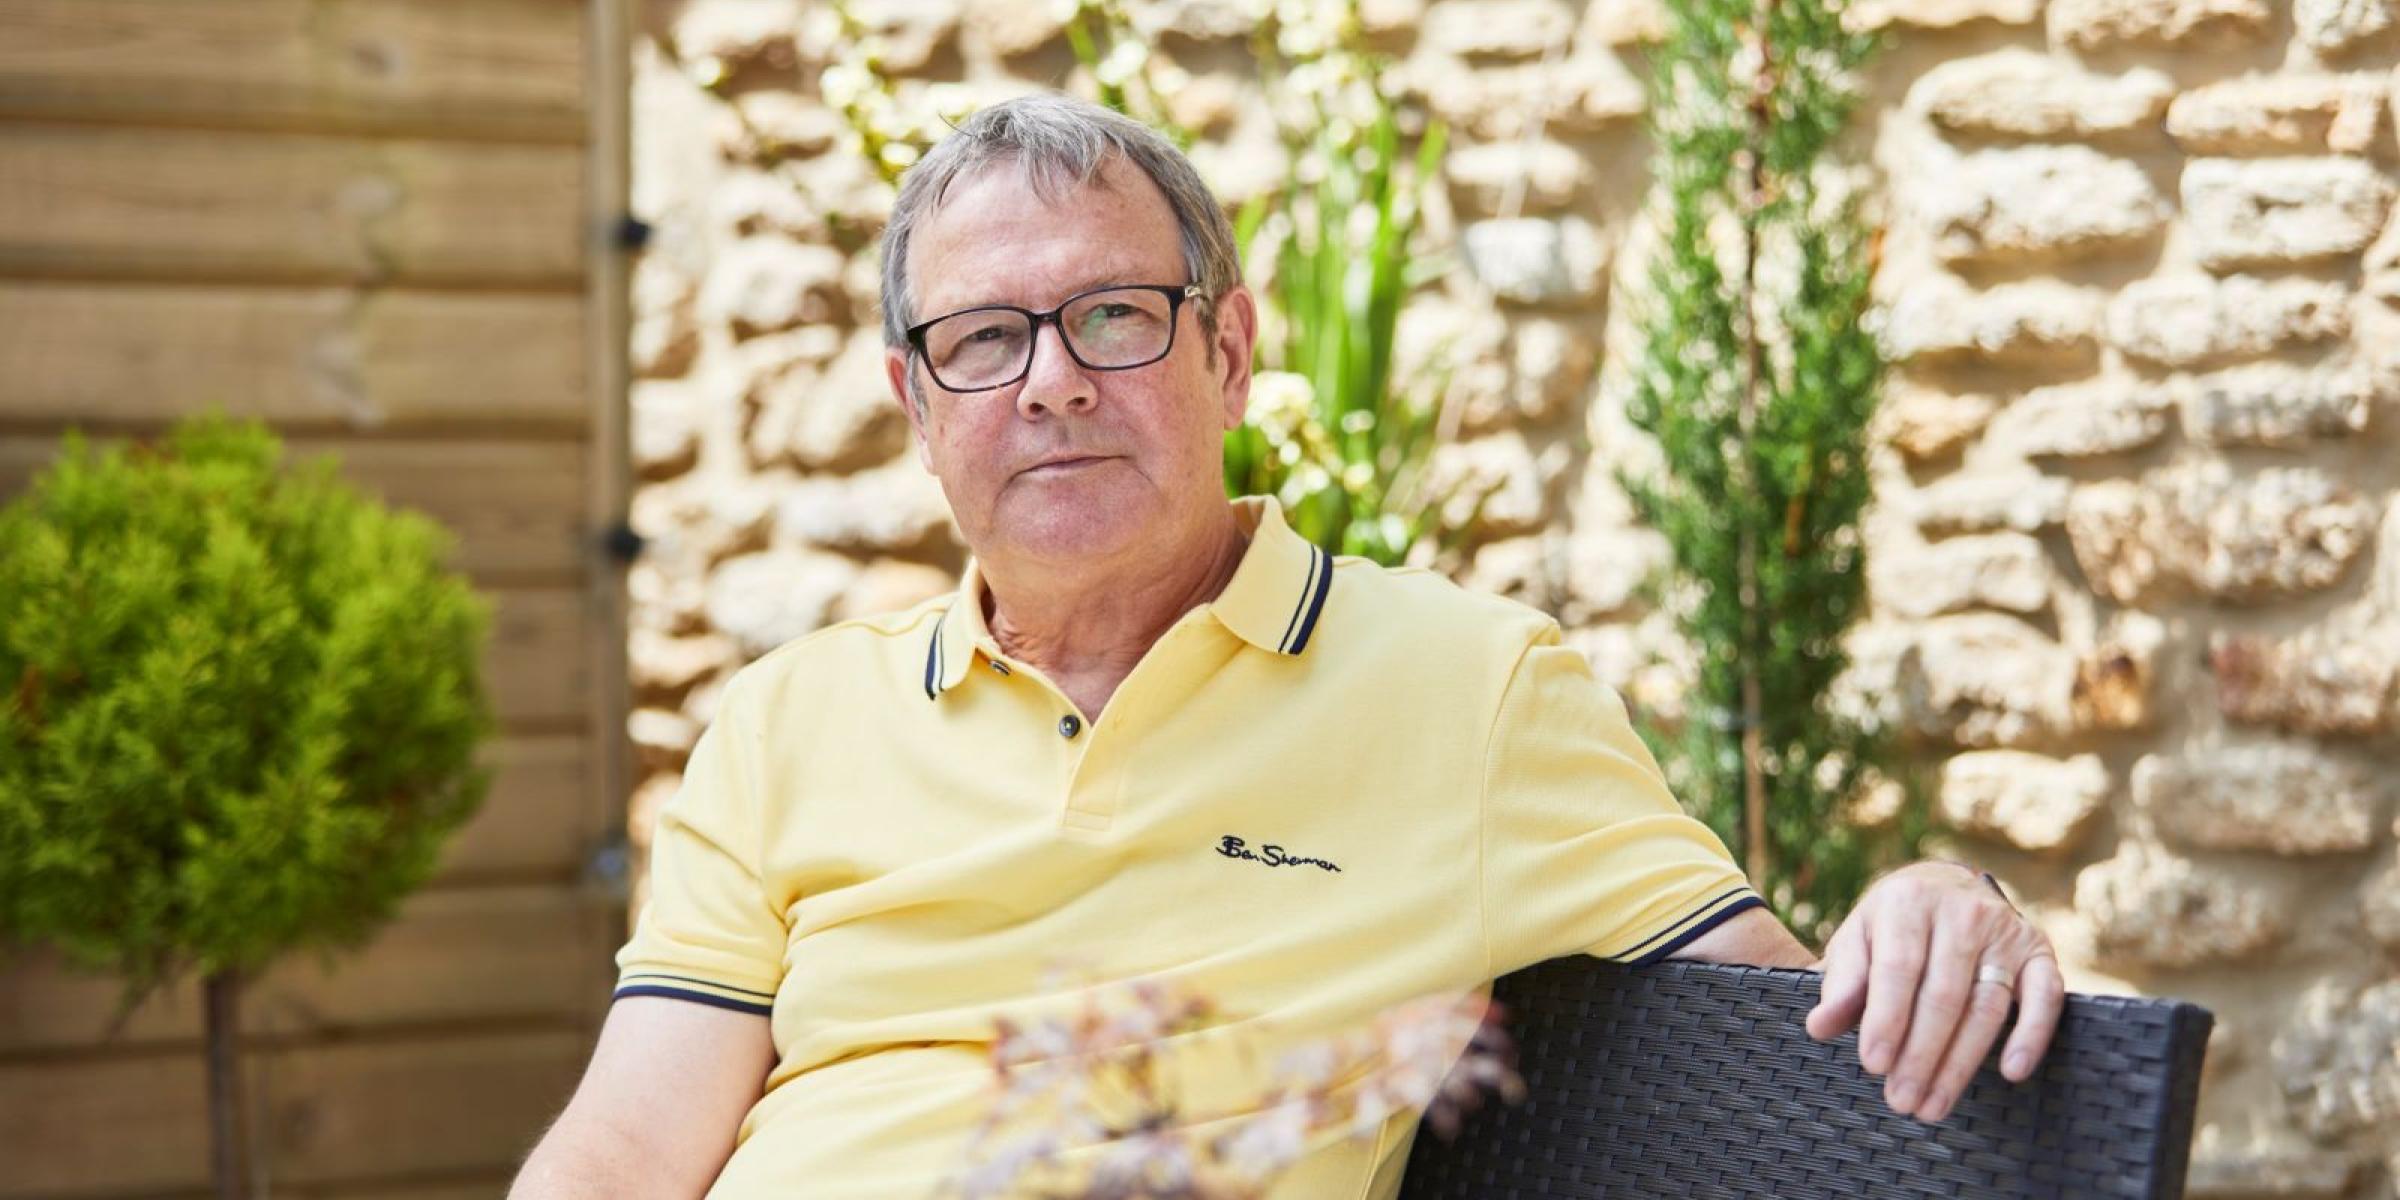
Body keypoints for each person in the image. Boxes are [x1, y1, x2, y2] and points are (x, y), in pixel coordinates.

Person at [510, 93, 2062, 1198]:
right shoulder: (787, 722)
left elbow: (1785, 1043)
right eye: (983, 341)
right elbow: (627, 1153)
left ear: (1229, 352)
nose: (1049, 383)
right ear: (921, 409)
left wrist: (1948, 894)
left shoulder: (1472, 692)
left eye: (1113, 316)